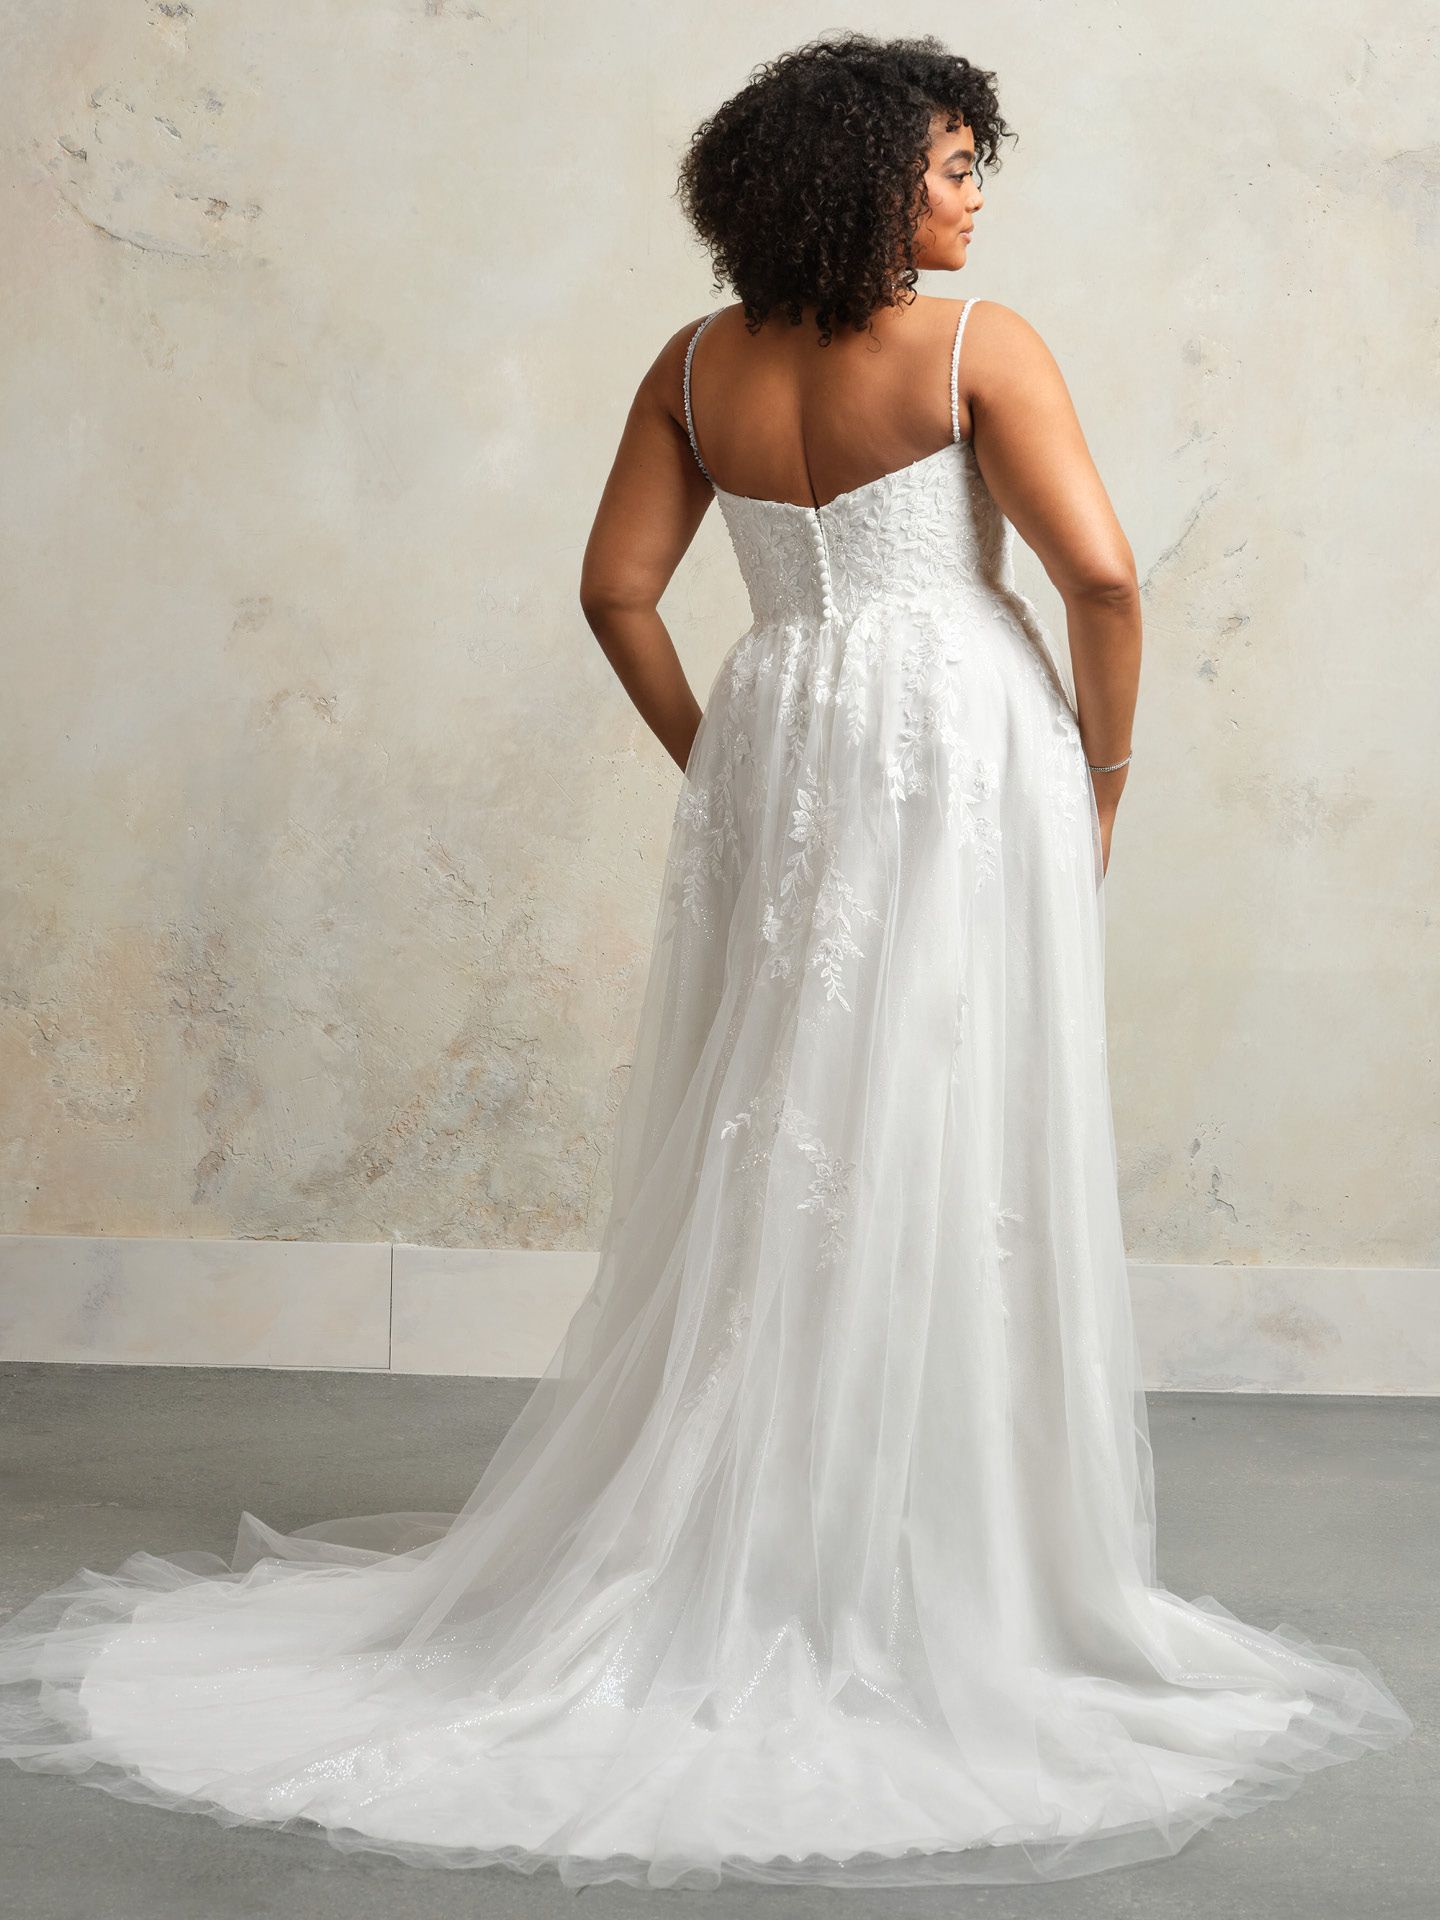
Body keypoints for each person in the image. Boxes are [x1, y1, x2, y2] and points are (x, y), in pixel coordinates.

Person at [0, 30, 1412, 1895]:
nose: (977, 191)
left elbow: (617, 590)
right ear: (857, 181)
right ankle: (916, 1556)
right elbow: (1108, 581)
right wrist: (1106, 776)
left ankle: (752, 1525)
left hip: (791, 732)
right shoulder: (979, 348)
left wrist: (730, 762)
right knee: (932, 1112)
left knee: (781, 1120)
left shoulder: (693, 365)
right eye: (951, 161)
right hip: (957, 740)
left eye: (982, 160)